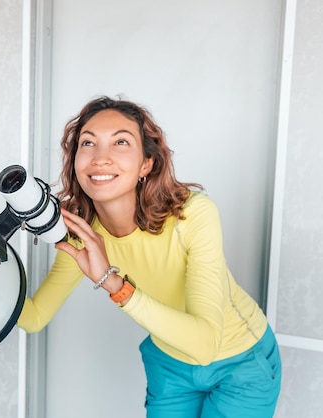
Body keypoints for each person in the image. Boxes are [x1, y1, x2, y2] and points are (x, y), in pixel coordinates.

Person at [17, 96, 282, 417]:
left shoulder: (193, 215)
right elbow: (32, 318)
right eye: (88, 143)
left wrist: (114, 284)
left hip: (240, 362)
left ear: (147, 163)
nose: (101, 157)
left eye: (120, 142)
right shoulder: (82, 234)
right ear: (75, 160)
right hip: (168, 363)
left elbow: (205, 345)